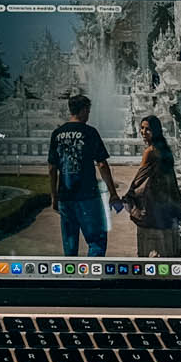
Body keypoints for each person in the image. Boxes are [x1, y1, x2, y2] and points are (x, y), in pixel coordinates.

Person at [48, 94, 123, 257]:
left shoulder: (57, 134)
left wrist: (54, 196)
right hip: (88, 195)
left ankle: (71, 272)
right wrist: (113, 193)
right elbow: (102, 164)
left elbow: (52, 168)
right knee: (96, 240)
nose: (88, 115)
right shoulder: (90, 132)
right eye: (88, 111)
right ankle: (93, 271)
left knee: (70, 244)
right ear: (82, 110)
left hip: (66, 196)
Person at [124, 115, 181, 258]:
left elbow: (139, 179)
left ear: (155, 131)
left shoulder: (150, 151)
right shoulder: (165, 149)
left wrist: (128, 197)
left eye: (148, 129)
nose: (143, 132)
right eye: (142, 128)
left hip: (152, 204)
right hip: (166, 204)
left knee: (150, 251)